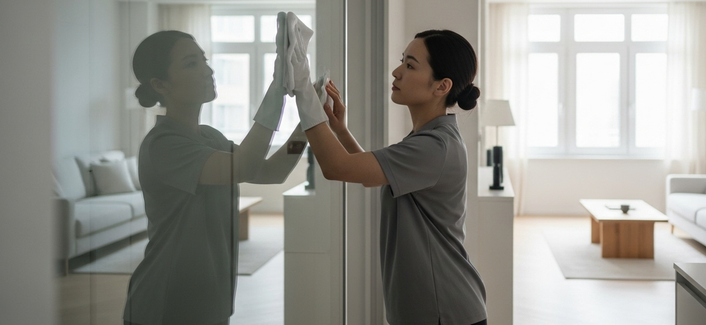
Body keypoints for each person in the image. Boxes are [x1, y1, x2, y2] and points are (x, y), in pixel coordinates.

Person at [292, 29, 488, 325]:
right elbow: (374, 174)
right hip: (435, 308)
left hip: (443, 311)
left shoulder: (435, 146)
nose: (397, 72)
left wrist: (304, 95)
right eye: (402, 62)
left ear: (441, 86)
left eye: (410, 65)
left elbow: (337, 167)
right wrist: (340, 130)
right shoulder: (430, 137)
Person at [123, 26, 307, 325]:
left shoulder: (210, 137)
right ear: (160, 84)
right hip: (165, 302)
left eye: (204, 59)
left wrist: (307, 125)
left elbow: (274, 171)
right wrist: (275, 94)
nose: (208, 70)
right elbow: (245, 166)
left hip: (211, 299)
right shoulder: (163, 145)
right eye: (191, 63)